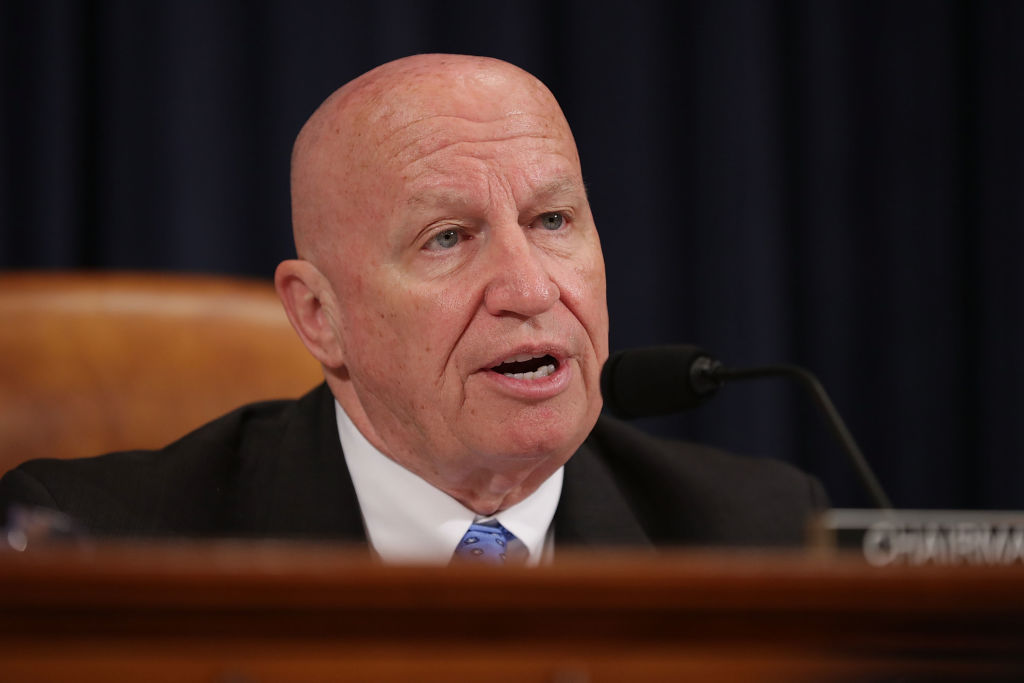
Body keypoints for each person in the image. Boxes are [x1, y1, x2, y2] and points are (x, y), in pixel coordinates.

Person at [0, 54, 827, 563]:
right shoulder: (96, 546)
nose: (532, 290)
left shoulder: (761, 535)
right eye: (446, 238)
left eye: (552, 220)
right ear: (319, 316)